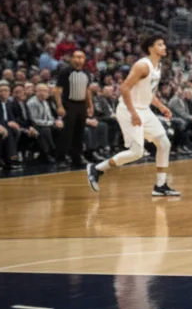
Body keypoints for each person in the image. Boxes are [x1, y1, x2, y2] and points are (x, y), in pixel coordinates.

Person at [87, 36, 179, 197]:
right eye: (160, 44)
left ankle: (160, 185)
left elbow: (148, 93)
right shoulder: (143, 65)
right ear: (150, 48)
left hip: (144, 109)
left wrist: (161, 106)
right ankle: (97, 168)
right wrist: (133, 113)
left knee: (164, 143)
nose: (164, 47)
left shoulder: (158, 66)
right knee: (137, 152)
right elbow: (124, 88)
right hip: (129, 110)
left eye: (164, 44)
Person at [54, 49, 94, 166]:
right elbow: (57, 90)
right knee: (67, 132)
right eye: (76, 57)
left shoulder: (87, 73)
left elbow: (87, 91)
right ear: (71, 59)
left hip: (81, 105)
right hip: (69, 104)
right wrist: (59, 106)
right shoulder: (65, 72)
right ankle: (61, 158)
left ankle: (76, 157)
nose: (79, 60)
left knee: (79, 132)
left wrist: (90, 106)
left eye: (81, 57)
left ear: (84, 60)